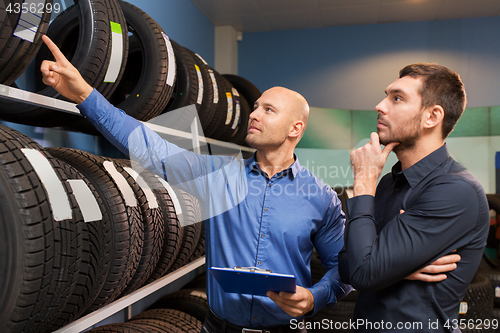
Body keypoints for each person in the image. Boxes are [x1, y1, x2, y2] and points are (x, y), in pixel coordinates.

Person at [40, 35, 352, 332]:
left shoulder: (320, 197)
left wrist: (314, 298)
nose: (254, 115)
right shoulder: (219, 175)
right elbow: (150, 146)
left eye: (268, 110)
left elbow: (343, 267)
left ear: (295, 128)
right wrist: (85, 95)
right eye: (255, 106)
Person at [338, 63, 489, 332]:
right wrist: (394, 268)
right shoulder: (387, 183)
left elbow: (363, 271)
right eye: (386, 95)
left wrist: (362, 181)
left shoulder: (455, 190)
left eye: (397, 98)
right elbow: (346, 266)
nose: (379, 106)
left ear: (432, 116)